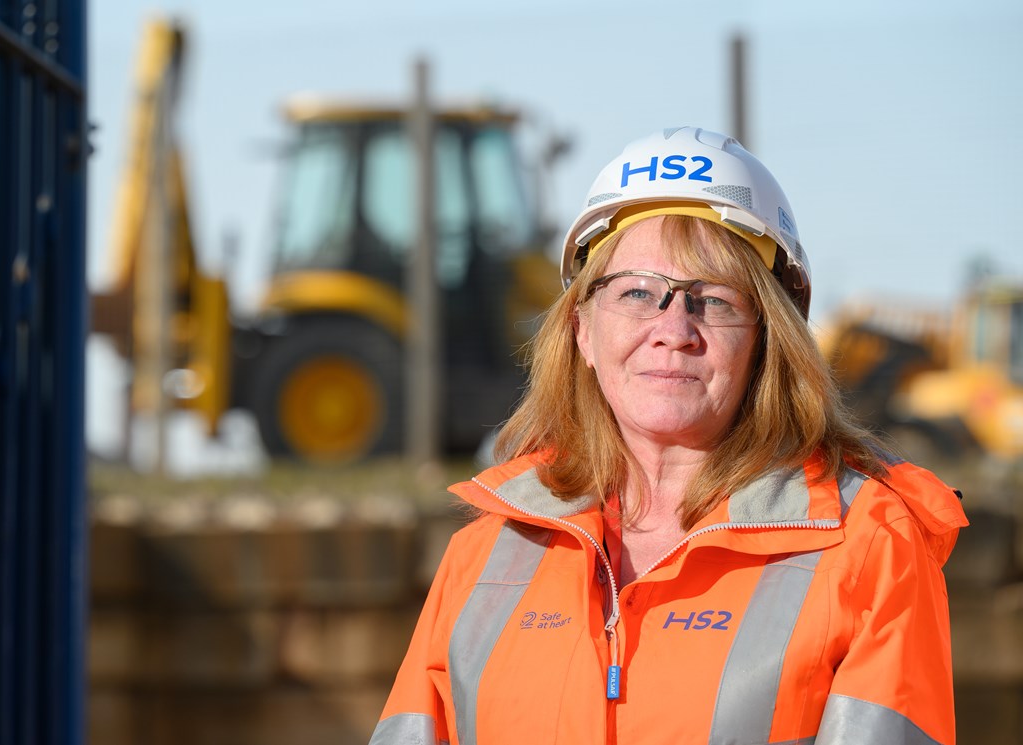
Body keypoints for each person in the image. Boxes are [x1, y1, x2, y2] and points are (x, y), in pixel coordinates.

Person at [368, 127, 967, 745]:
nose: (673, 329)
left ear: (767, 339)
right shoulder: (484, 557)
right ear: (581, 331)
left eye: (713, 299)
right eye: (635, 293)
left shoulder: (870, 547)